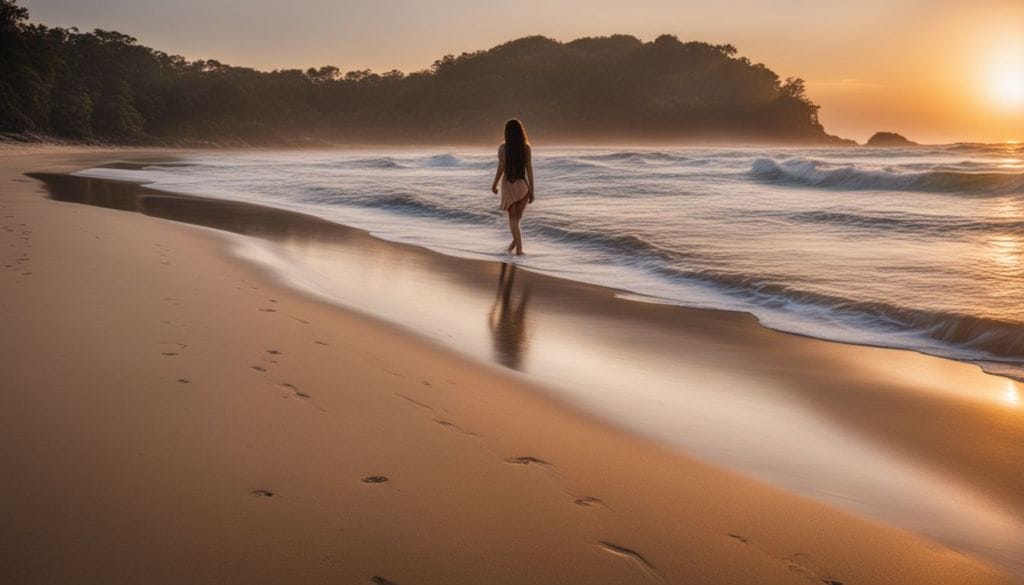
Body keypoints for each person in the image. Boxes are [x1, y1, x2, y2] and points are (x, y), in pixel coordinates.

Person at [491, 118, 534, 255]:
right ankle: (511, 248)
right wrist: (532, 191)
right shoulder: (526, 148)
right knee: (517, 220)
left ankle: (519, 250)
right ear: (521, 132)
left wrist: (494, 184)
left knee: (513, 220)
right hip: (523, 186)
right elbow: (529, 170)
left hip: (509, 185)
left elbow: (501, 168)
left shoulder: (503, 148)